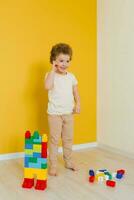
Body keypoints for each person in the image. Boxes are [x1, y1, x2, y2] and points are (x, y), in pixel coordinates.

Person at [44, 43, 80, 176]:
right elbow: (47, 87)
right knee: (54, 140)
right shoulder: (50, 75)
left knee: (68, 139)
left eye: (67, 61)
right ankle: (53, 164)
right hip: (54, 114)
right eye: (61, 61)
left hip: (68, 113)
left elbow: (75, 91)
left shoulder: (71, 77)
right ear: (54, 61)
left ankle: (68, 161)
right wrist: (53, 70)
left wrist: (78, 103)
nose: (64, 64)